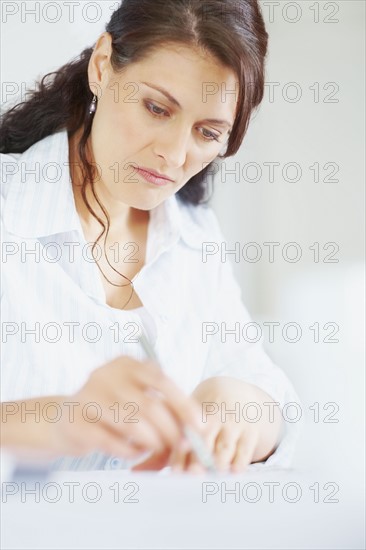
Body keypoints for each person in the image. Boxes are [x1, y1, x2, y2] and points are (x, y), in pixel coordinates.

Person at [0, 0, 301, 473]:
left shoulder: (194, 235)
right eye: (157, 108)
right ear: (102, 67)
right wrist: (55, 422)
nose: (174, 154)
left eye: (207, 132)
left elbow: (259, 380)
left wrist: (237, 404)